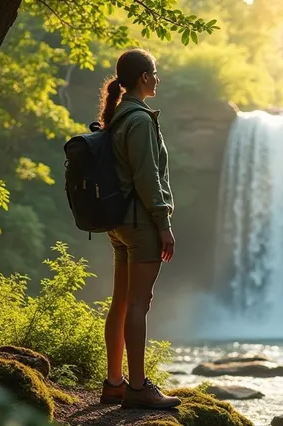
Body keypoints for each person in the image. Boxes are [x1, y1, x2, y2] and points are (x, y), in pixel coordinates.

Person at [96, 48, 180, 409]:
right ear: (144, 77)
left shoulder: (118, 114)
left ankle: (115, 382)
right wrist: (163, 224)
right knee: (138, 304)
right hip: (141, 222)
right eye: (155, 72)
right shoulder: (141, 120)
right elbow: (148, 177)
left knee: (120, 302)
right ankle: (138, 387)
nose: (158, 78)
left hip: (118, 223)